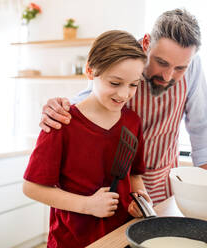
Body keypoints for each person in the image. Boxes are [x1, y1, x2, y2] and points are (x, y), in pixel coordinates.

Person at [39, 9, 207, 212]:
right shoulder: (124, 56)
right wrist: (62, 107)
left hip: (163, 183)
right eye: (161, 62)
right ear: (146, 43)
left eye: (179, 68)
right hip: (113, 188)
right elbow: (94, 97)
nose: (167, 76)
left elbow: (202, 129)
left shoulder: (193, 65)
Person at [22, 30, 151, 248]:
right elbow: (31, 187)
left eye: (133, 84)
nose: (124, 94)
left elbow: (135, 175)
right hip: (71, 241)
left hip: (120, 237)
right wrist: (87, 205)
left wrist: (140, 200)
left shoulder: (132, 122)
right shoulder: (61, 122)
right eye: (115, 82)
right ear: (90, 71)